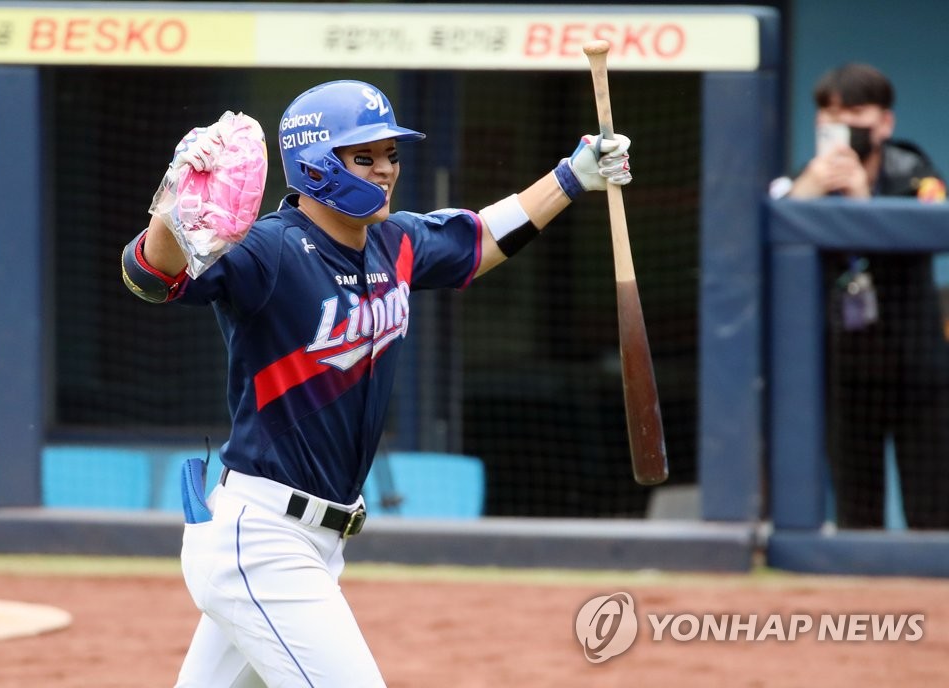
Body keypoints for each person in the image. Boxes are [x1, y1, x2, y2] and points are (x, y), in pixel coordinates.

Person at [121, 79, 633, 687]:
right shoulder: (268, 250)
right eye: (364, 156)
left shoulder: (396, 243)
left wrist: (571, 178)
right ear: (314, 162)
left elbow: (484, 236)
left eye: (391, 154)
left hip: (314, 541)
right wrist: (173, 213)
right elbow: (150, 276)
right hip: (261, 541)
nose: (386, 169)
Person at [770, 63, 949, 529]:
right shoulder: (805, 183)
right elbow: (764, 248)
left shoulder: (915, 173)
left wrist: (862, 201)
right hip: (846, 371)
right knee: (857, 517)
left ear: (884, 122)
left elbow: (932, 229)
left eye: (856, 111)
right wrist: (805, 194)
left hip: (919, 370)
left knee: (933, 515)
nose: (842, 124)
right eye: (830, 113)